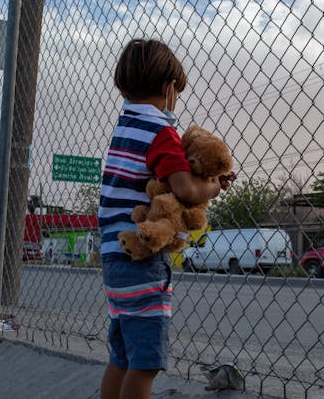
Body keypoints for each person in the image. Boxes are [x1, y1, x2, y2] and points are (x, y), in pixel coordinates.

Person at [98, 39, 234, 399]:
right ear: (169, 88)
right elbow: (187, 190)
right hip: (142, 260)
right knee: (145, 363)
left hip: (113, 257)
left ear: (124, 87)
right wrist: (215, 187)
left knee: (122, 357)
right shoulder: (161, 132)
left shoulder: (124, 128)